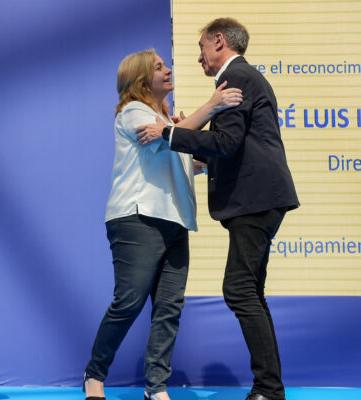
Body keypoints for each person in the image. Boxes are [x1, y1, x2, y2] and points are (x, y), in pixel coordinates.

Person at [136, 18, 299, 400]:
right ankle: (270, 387)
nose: (198, 58)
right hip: (262, 198)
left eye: (201, 48)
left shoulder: (235, 78)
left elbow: (225, 142)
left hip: (256, 199)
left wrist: (169, 133)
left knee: (239, 289)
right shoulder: (243, 77)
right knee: (250, 291)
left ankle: (269, 389)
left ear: (219, 41)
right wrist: (190, 145)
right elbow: (236, 145)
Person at [83, 49, 242, 400]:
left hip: (176, 220)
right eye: (159, 67)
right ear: (142, 81)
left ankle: (156, 387)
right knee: (129, 302)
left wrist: (199, 158)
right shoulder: (132, 111)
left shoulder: (168, 120)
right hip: (138, 218)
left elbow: (175, 155)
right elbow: (162, 140)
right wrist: (212, 106)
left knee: (169, 307)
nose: (168, 69)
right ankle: (94, 375)